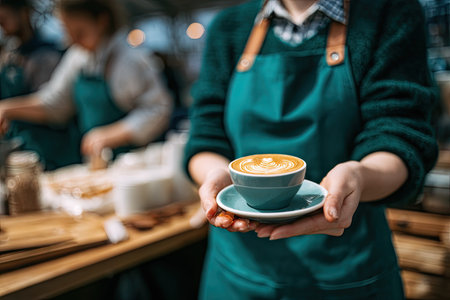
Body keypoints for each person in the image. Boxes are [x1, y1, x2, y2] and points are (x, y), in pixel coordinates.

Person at [184, 0, 439, 298]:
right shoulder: (228, 27)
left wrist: (360, 175)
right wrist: (216, 174)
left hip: (347, 270)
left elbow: (399, 134)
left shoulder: (388, 13)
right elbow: (205, 135)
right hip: (236, 274)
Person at [0, 0, 172, 166]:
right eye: (69, 33)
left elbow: (157, 109)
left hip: (137, 164)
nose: (73, 41)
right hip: (99, 164)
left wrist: (113, 134)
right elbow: (55, 105)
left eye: (79, 33)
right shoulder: (78, 57)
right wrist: (7, 108)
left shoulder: (128, 59)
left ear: (102, 20)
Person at [0, 0, 80, 170]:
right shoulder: (9, 57)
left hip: (53, 153)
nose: (1, 26)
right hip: (22, 151)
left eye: (4, 18)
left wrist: (7, 108)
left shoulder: (46, 55)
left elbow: (52, 106)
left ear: (24, 12)